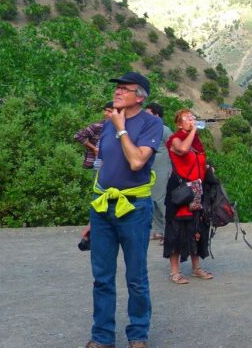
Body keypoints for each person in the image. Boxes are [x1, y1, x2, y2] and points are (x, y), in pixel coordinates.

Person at [82, 72, 164, 348]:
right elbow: (106, 167)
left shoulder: (151, 123)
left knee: (136, 277)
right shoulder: (109, 123)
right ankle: (102, 336)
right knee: (102, 277)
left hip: (134, 209)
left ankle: (138, 334)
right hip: (103, 207)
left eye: (124, 89)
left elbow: (137, 162)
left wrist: (120, 128)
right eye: (116, 88)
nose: (117, 93)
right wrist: (94, 218)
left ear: (139, 96)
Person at [163, 108, 214, 284]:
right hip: (181, 190)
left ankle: (196, 268)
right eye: (187, 118)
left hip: (196, 190)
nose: (191, 120)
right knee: (176, 229)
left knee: (196, 228)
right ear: (179, 123)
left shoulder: (196, 142)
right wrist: (193, 130)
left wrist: (207, 169)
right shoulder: (175, 140)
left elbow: (198, 160)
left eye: (193, 117)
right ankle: (174, 272)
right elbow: (183, 150)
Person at [145, 103, 173, 242]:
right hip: (149, 170)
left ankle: (170, 232)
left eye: (148, 114)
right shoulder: (146, 130)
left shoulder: (165, 130)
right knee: (152, 201)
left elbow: (174, 149)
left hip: (162, 170)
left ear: (157, 115)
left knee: (162, 200)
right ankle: (158, 231)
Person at [74, 101, 115, 170]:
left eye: (110, 111)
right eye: (105, 110)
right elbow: (78, 135)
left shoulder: (120, 129)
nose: (105, 114)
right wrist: (94, 148)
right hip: (97, 165)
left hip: (112, 167)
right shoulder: (98, 126)